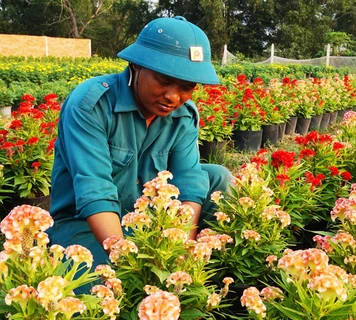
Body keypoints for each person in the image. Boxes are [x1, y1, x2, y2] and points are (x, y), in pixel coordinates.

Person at [47, 16, 233, 273]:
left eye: (186, 87)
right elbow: (96, 191)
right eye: (164, 81)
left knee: (218, 178)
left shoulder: (184, 115)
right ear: (136, 66)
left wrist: (181, 254)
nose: (173, 96)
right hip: (88, 222)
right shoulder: (92, 105)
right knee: (104, 284)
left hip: (149, 217)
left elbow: (188, 180)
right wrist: (130, 265)